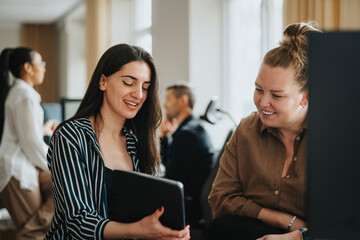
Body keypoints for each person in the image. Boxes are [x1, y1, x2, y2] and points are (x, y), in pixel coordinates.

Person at [45, 44, 190, 240]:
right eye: (129, 83)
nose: (139, 94)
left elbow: (144, 214)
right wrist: (137, 230)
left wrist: (166, 231)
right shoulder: (71, 136)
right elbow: (77, 222)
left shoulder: (136, 143)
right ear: (103, 81)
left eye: (145, 87)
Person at [206, 22, 321, 240]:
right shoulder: (246, 130)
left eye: (277, 95)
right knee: (220, 228)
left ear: (306, 97)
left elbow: (348, 221)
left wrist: (296, 236)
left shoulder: (336, 138)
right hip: (253, 231)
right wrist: (284, 221)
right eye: (258, 89)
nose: (263, 102)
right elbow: (220, 198)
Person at [0, 47, 57, 239]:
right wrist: (56, 162)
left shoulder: (22, 93)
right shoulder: (24, 95)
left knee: (66, 186)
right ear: (27, 67)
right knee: (33, 234)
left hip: (26, 163)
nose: (44, 68)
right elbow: (32, 144)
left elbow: (25, 134)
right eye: (40, 63)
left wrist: (42, 130)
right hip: (18, 171)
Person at [160, 84, 215, 226]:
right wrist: (165, 139)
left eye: (169, 99)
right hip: (191, 204)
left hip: (187, 209)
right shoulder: (194, 129)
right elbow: (171, 166)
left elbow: (171, 179)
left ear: (183, 100)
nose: (165, 104)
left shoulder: (187, 135)